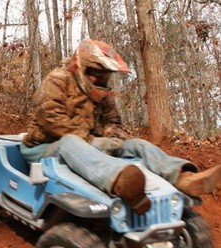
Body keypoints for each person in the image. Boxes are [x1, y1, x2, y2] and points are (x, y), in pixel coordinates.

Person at [20, 39, 221, 215]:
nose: (100, 79)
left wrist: (112, 137)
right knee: (69, 142)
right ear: (82, 68)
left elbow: (113, 121)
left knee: (136, 144)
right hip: (44, 147)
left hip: (87, 146)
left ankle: (183, 177)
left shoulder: (101, 93)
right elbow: (50, 118)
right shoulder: (57, 80)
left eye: (104, 75)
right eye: (96, 74)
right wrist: (92, 141)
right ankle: (121, 181)